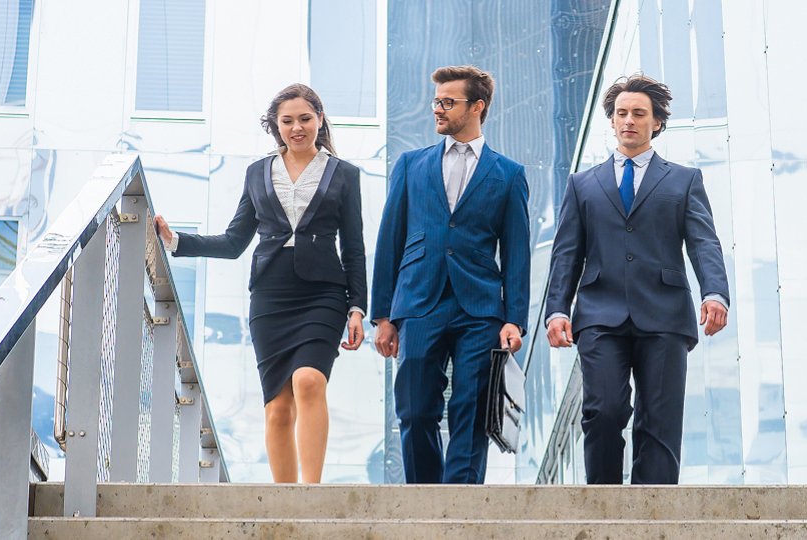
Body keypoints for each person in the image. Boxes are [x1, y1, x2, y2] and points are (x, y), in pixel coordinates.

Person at [154, 83, 367, 483]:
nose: (297, 128)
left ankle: (312, 492)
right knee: (278, 407)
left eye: (305, 118)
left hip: (324, 293)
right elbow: (235, 241)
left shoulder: (344, 175)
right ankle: (284, 501)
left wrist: (358, 308)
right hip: (271, 296)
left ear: (320, 119)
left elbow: (354, 247)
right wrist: (176, 241)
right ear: (276, 126)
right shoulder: (258, 172)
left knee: (308, 380)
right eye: (287, 121)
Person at [544, 74, 729, 484]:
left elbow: (704, 243)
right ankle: (604, 508)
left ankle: (654, 516)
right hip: (598, 314)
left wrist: (715, 292)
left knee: (659, 423)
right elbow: (566, 254)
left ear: (656, 122)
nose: (629, 120)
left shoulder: (684, 180)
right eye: (621, 113)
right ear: (611, 121)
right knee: (603, 410)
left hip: (664, 314)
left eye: (638, 113)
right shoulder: (582, 184)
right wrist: (556, 309)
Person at [371, 65, 530, 484]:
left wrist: (515, 317)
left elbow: (517, 254)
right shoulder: (410, 165)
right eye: (436, 101)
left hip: (479, 307)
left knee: (471, 407)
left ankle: (460, 499)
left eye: (448, 102)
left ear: (477, 107)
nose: (438, 109)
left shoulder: (509, 174)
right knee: (415, 406)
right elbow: (390, 241)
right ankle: (424, 498)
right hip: (419, 301)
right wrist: (383, 315)